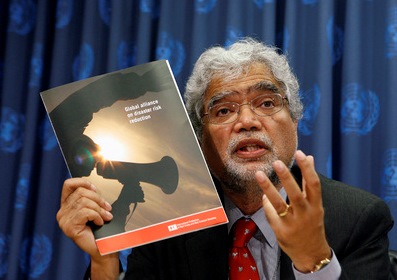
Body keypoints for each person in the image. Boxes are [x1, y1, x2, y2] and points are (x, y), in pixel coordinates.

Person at [56, 38, 394, 279]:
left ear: (294, 121)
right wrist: (105, 260)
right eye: (224, 110)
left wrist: (314, 262)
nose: (247, 121)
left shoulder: (358, 218)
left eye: (266, 103)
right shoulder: (169, 225)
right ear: (199, 139)